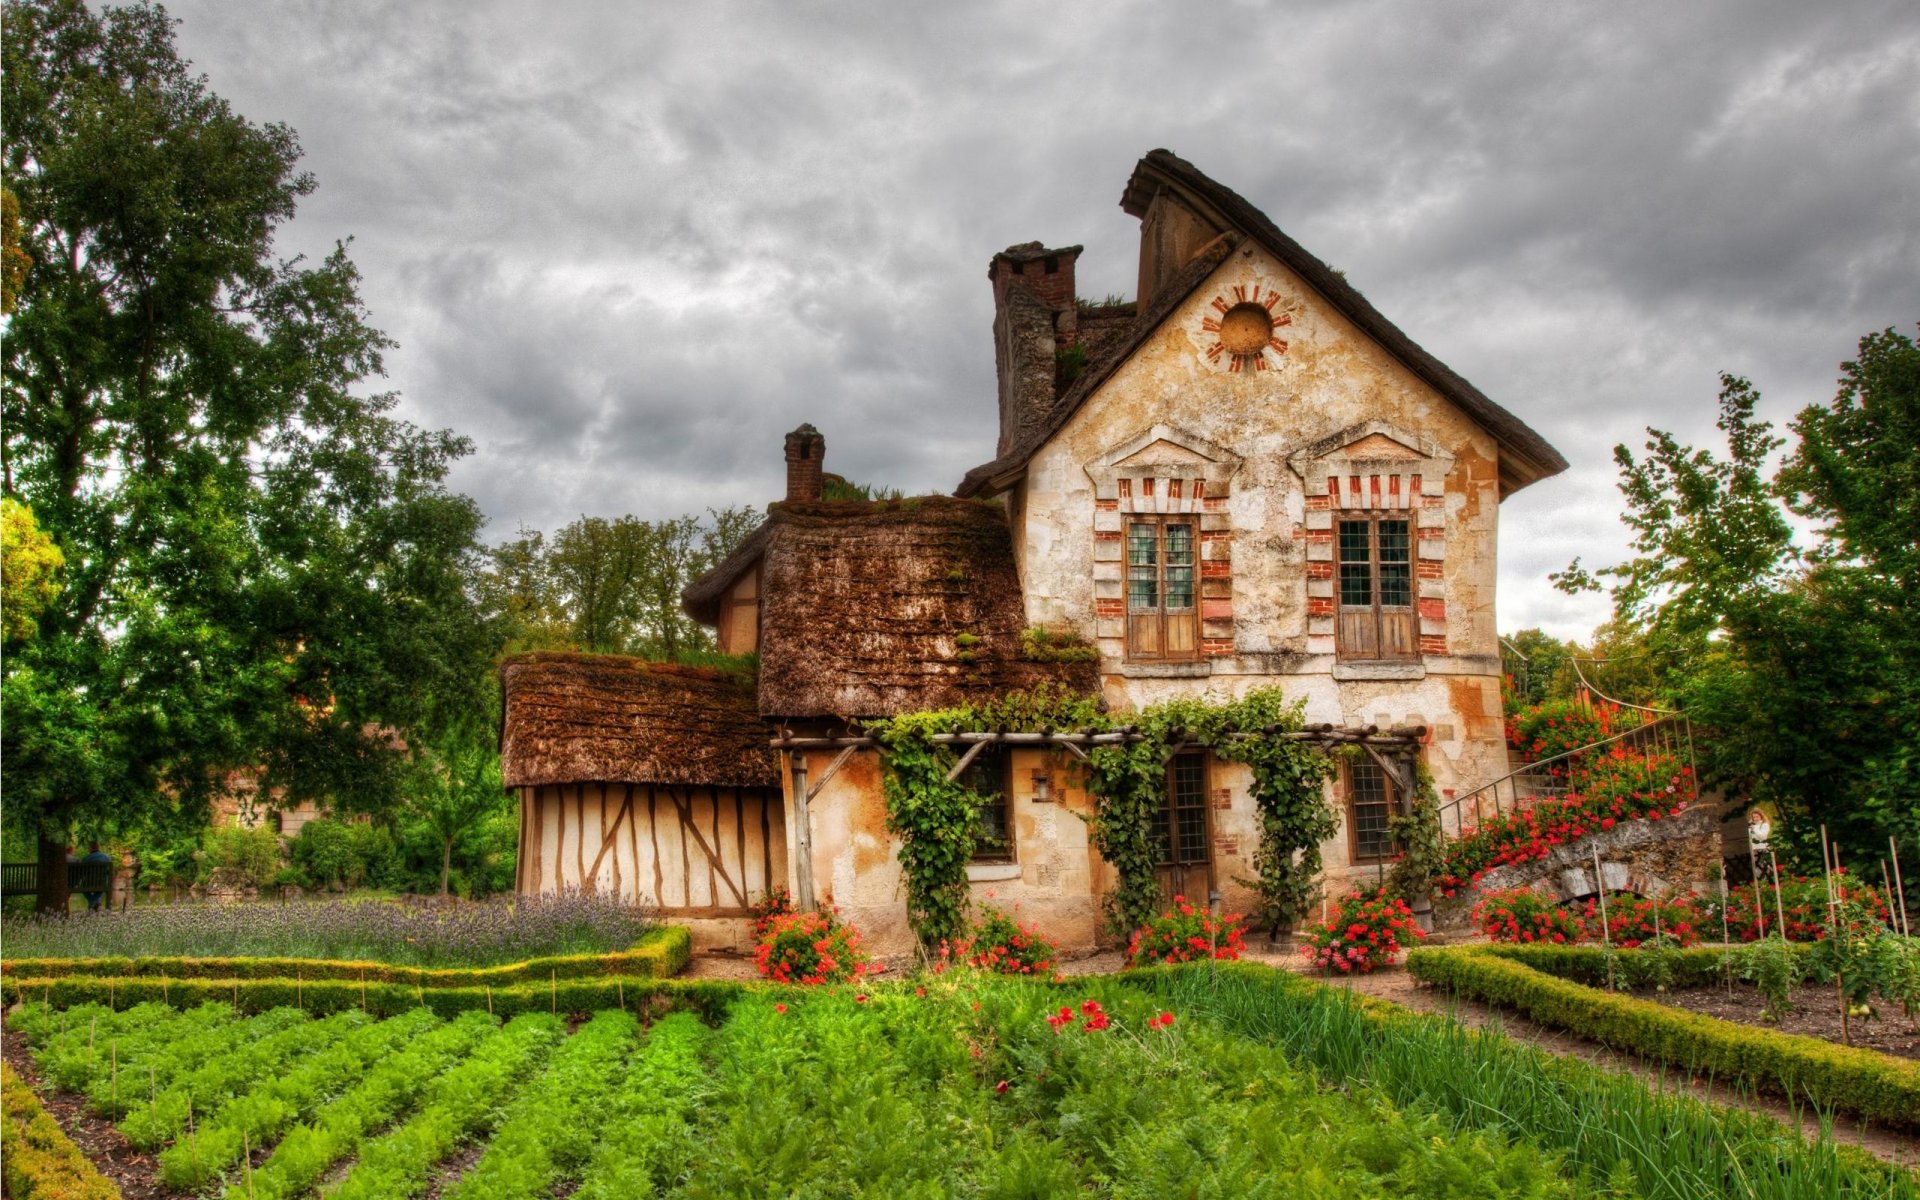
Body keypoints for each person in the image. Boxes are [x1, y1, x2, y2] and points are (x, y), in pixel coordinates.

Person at [80, 842, 114, 912]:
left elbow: (81, 872)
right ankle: (95, 903)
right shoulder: (106, 857)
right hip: (102, 883)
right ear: (98, 848)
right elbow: (109, 872)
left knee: (82, 888)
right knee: (100, 889)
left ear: (90, 848)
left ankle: (92, 903)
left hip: (88, 883)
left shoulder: (86, 858)